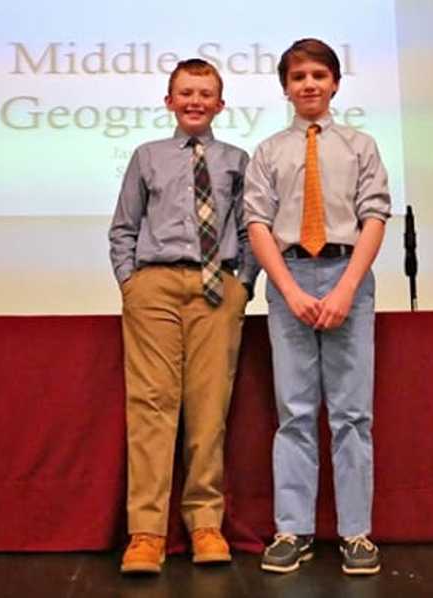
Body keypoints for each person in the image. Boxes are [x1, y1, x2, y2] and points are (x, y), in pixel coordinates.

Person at [244, 38, 391, 576]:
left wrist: (348, 287)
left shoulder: (360, 145)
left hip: (347, 274)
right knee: (295, 412)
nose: (309, 84)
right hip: (290, 281)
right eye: (298, 76)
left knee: (353, 413)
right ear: (285, 87)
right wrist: (289, 288)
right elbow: (257, 223)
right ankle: (293, 529)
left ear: (334, 83)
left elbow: (375, 216)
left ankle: (355, 533)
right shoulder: (268, 152)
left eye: (319, 75)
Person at [109, 58, 258, 574]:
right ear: (169, 101)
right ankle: (145, 534)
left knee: (208, 408)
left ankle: (205, 524)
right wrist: (132, 282)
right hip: (154, 286)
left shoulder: (238, 159)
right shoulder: (146, 156)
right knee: (152, 406)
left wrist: (246, 285)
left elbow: (249, 229)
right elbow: (123, 227)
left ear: (220, 103)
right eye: (185, 93)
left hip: (217, 287)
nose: (195, 101)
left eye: (206, 93)